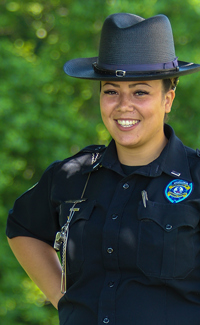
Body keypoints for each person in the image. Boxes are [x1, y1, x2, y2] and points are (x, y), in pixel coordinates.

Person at [6, 12, 200, 325]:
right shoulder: (71, 176)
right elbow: (22, 229)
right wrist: (66, 301)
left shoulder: (197, 178)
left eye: (140, 91)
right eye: (111, 91)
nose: (124, 105)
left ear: (168, 99)